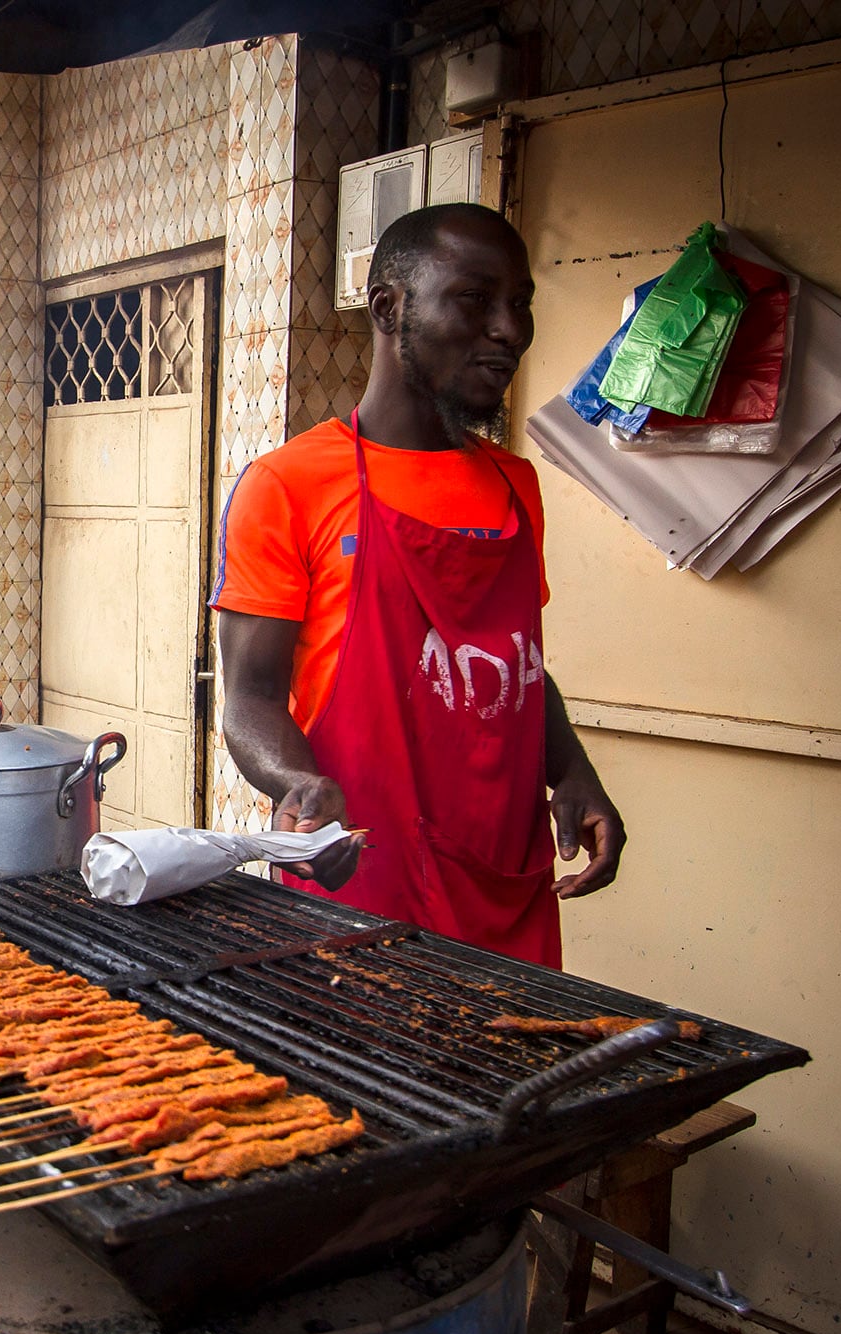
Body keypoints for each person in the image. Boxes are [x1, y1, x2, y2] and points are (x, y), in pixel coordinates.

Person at [210, 202, 624, 969]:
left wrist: (570, 769)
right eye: (475, 299)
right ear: (388, 308)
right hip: (361, 881)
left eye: (520, 304)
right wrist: (299, 783)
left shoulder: (515, 487)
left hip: (504, 885)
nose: (509, 329)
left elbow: (511, 662)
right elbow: (249, 697)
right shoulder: (287, 485)